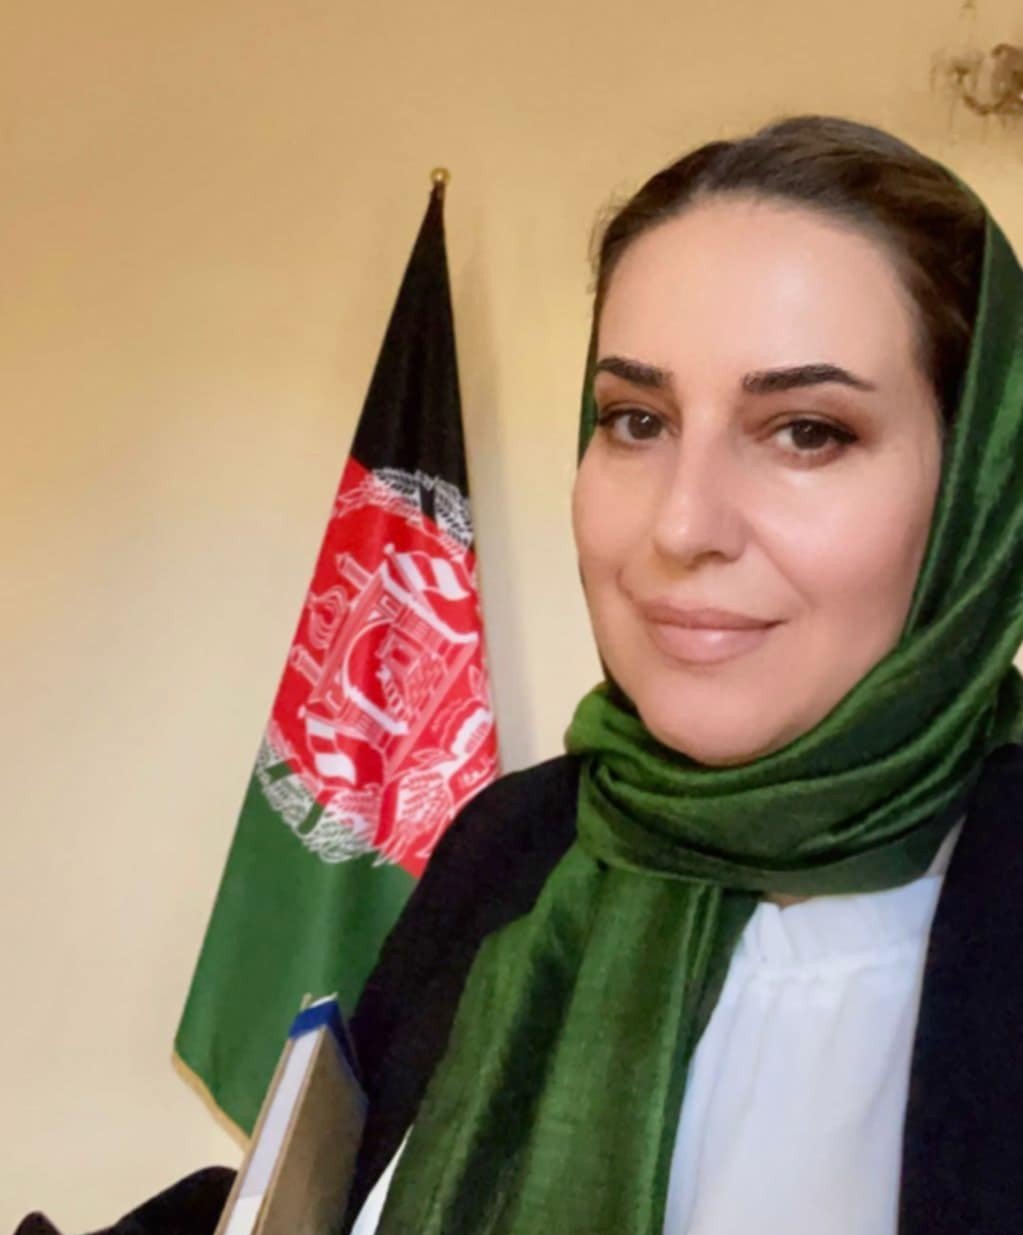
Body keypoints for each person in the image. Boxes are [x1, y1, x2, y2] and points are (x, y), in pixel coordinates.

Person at [16, 114, 1023, 1235]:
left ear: (979, 486)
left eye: (805, 432)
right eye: (636, 420)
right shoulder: (516, 848)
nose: (681, 525)